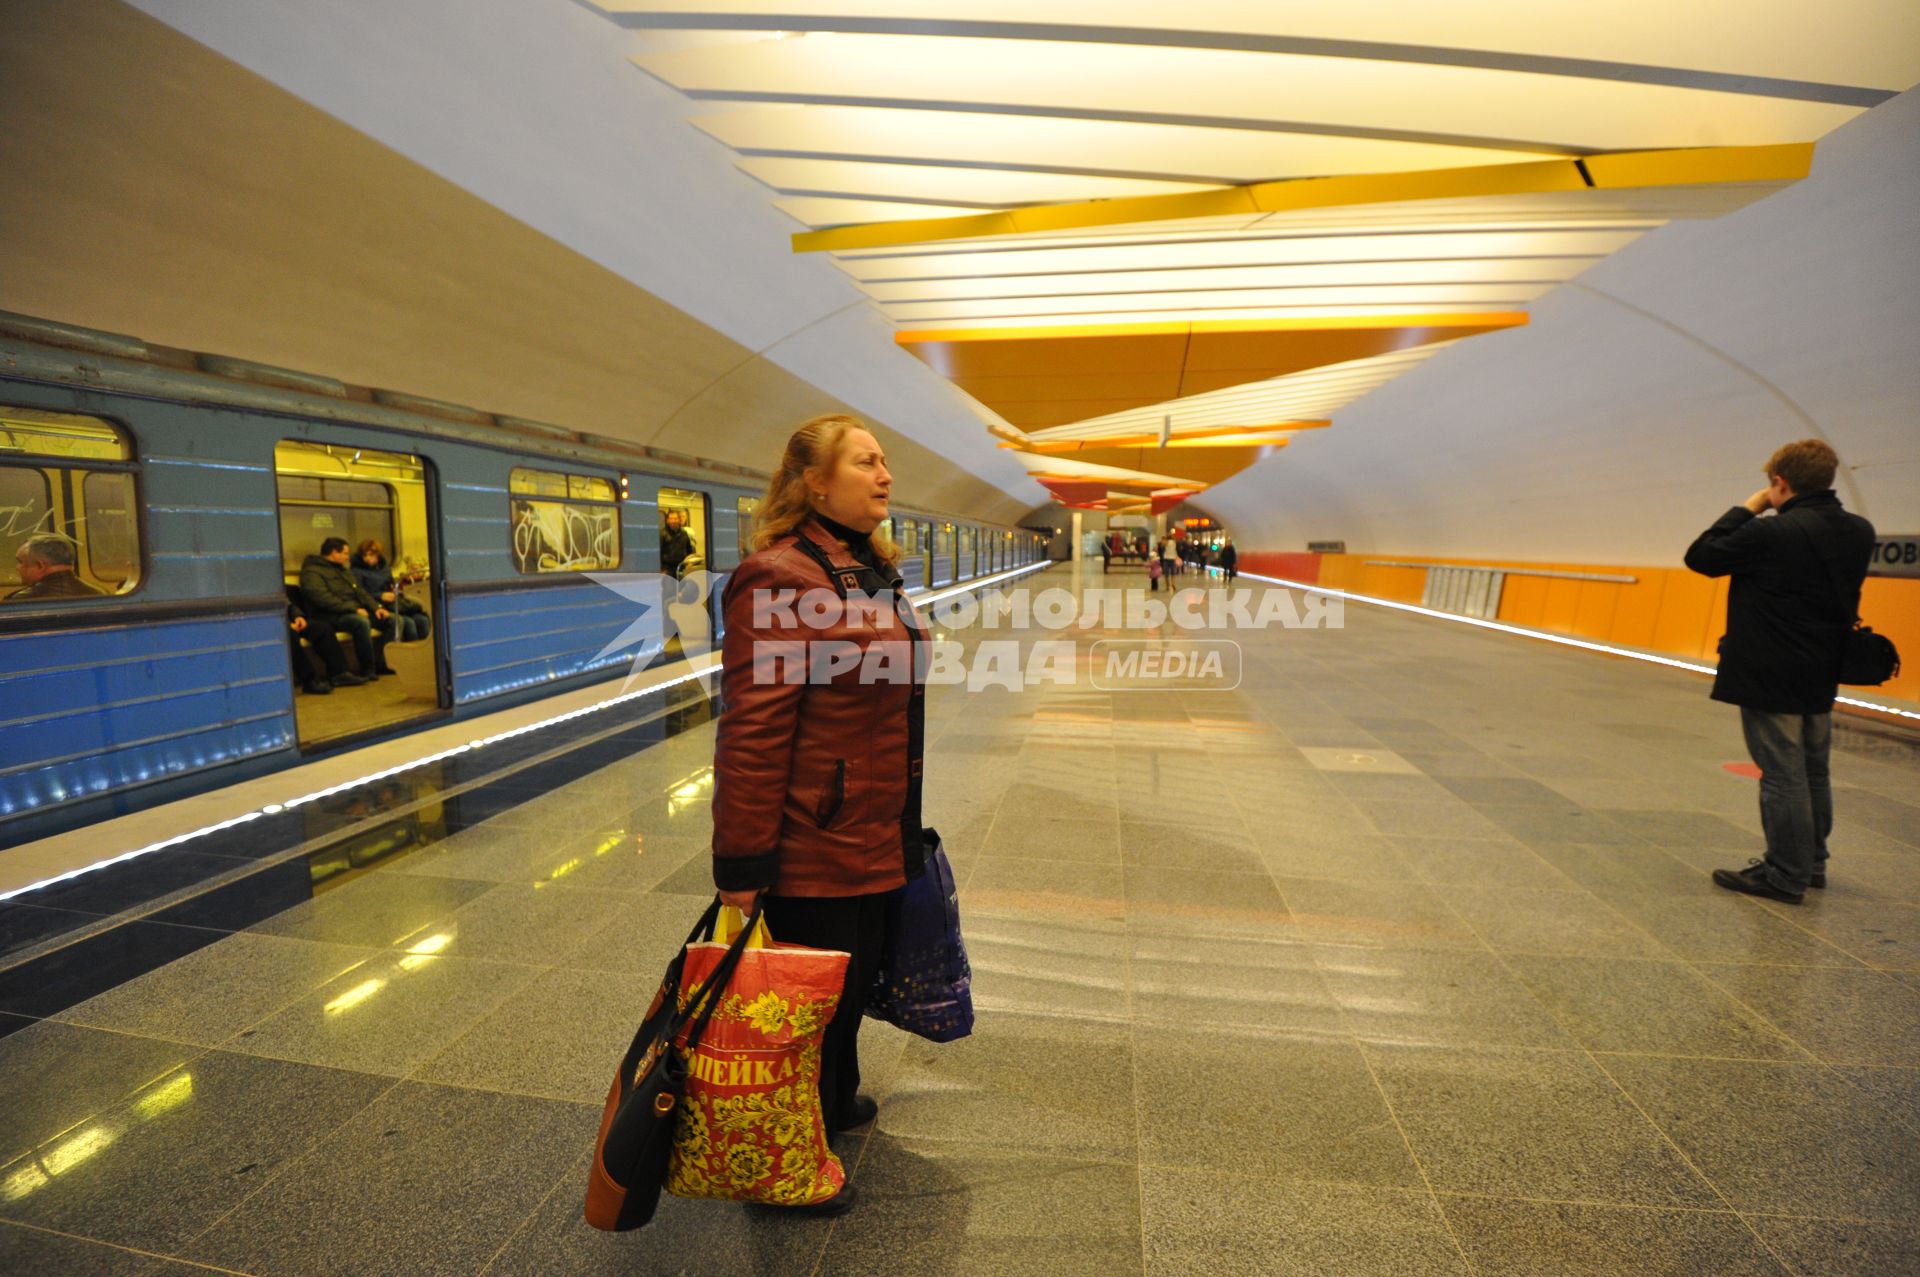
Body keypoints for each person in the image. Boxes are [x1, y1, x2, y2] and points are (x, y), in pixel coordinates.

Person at [712, 414, 930, 1218]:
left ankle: (834, 1098)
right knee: (806, 994)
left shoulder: (865, 569)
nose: (886, 474)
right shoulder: (779, 578)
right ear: (816, 481)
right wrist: (741, 864)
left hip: (874, 821)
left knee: (851, 980)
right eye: (868, 461)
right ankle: (782, 1162)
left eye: (885, 460)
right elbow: (754, 727)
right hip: (817, 831)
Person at [1684, 439, 1875, 903]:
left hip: (1771, 667)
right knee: (1813, 769)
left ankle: (1784, 874)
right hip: (1823, 664)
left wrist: (1747, 509)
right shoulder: (1859, 530)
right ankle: (1811, 864)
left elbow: (1701, 556)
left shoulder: (1770, 533)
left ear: (1779, 482)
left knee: (1781, 771)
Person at [299, 537, 396, 678]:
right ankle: (368, 669)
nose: (347, 557)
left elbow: (360, 592)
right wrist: (353, 609)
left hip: (352, 611)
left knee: (392, 620)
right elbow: (323, 598)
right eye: (344, 553)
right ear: (334, 552)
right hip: (329, 615)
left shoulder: (342, 571)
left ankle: (384, 663)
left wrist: (376, 608)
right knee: (361, 623)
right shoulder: (311, 572)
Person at [352, 539, 430, 642]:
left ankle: (426, 651)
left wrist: (394, 591)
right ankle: (411, 652)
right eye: (365, 555)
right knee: (408, 622)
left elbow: (391, 584)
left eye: (371, 555)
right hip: (375, 605)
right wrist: (380, 595)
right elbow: (359, 593)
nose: (368, 559)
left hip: (393, 604)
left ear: (378, 555)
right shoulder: (357, 571)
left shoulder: (385, 568)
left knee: (422, 620)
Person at [285, 597, 353, 694]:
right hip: (272, 625)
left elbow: (289, 605)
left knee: (322, 628)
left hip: (291, 623)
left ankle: (338, 674)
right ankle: (308, 681)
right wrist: (285, 624)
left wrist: (298, 617)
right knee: (289, 636)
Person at [8, 533, 103, 600]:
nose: (17, 567)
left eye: (20, 562)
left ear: (40, 566)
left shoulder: (23, 600)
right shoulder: (99, 595)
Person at [660, 508, 696, 579]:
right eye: (671, 518)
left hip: (682, 567)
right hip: (667, 569)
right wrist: (662, 569)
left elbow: (689, 550)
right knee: (669, 589)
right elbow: (658, 553)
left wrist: (690, 563)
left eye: (675, 518)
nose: (673, 521)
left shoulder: (684, 533)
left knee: (681, 588)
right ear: (667, 521)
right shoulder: (662, 534)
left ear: (679, 520)